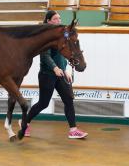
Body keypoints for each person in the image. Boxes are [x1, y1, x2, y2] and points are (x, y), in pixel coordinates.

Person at [19, 10, 88, 139]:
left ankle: (73, 130)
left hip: (61, 73)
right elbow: (45, 55)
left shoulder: (62, 35)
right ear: (49, 21)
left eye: (59, 18)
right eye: (55, 19)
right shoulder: (45, 37)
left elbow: (64, 54)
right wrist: (55, 68)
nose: (59, 20)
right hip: (47, 74)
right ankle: (25, 122)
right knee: (43, 103)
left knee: (68, 100)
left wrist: (64, 69)